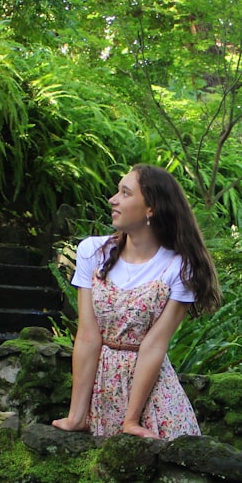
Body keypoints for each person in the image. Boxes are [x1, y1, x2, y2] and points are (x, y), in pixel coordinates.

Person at [52, 164, 221, 439]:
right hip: (104, 389)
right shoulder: (93, 252)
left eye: (125, 193)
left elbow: (154, 345)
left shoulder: (180, 267)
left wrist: (131, 420)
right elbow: (87, 336)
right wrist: (76, 416)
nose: (113, 199)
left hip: (153, 396)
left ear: (150, 208)